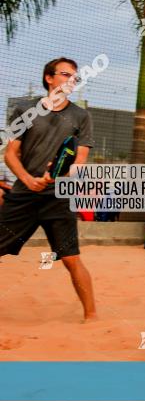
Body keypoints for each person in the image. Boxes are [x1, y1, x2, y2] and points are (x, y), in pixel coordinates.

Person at [0, 57, 97, 321]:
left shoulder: (81, 116)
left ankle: (91, 317)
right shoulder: (24, 110)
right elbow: (10, 154)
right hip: (23, 194)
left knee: (71, 259)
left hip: (57, 198)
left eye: (75, 77)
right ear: (49, 78)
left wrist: (62, 175)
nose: (71, 80)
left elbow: (80, 161)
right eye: (65, 74)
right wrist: (29, 179)